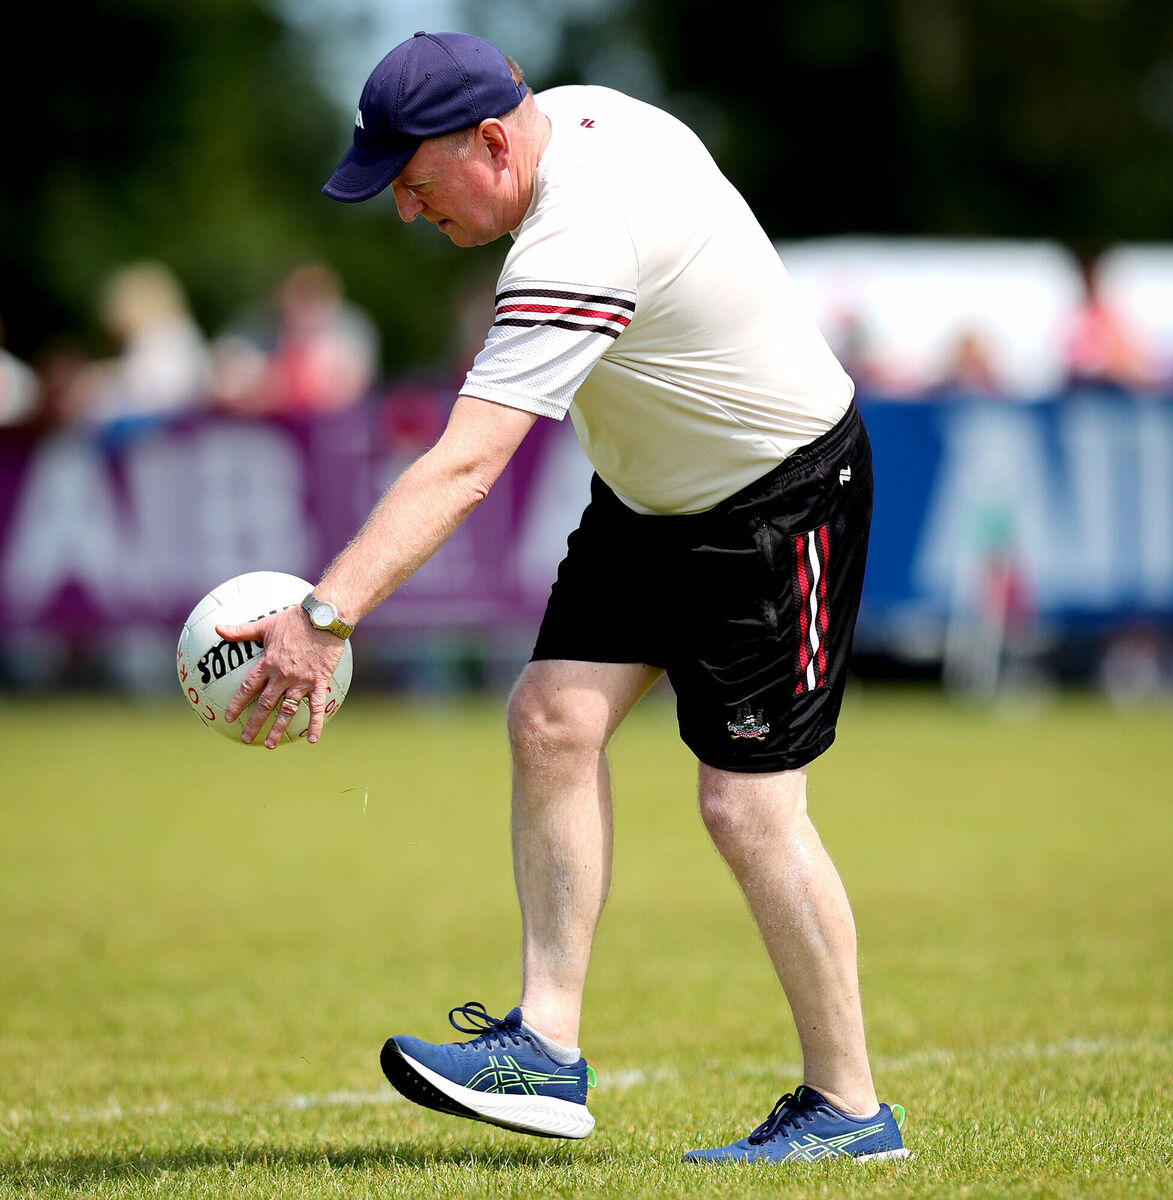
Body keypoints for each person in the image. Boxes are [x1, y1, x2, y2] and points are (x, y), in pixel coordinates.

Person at [218, 30, 908, 1164]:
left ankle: (849, 1110)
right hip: (653, 495)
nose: (404, 211)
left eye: (414, 182)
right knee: (550, 719)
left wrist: (321, 619)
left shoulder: (575, 240)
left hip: (780, 495)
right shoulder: (567, 120)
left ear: (493, 141)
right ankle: (543, 1046)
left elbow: (465, 466)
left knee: (746, 811)